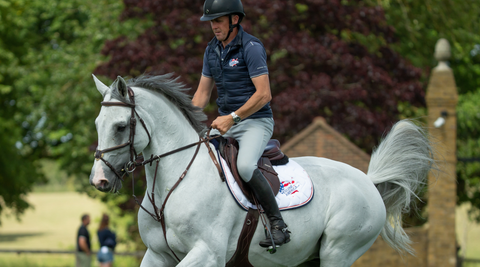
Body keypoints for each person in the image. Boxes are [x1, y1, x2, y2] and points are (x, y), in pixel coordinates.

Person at [192, 0, 290, 249]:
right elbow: (202, 95)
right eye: (211, 22)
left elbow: (264, 94)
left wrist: (232, 118)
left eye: (218, 20)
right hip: (226, 123)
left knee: (245, 166)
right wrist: (187, 121)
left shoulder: (252, 46)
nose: (214, 26)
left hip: (256, 121)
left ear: (234, 19)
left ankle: (278, 225)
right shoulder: (211, 50)